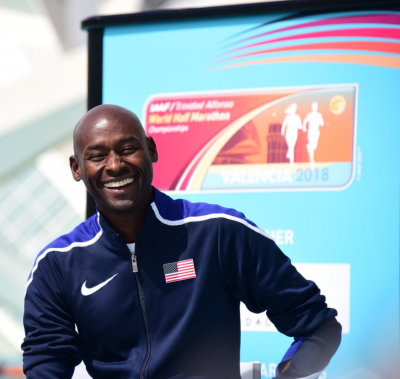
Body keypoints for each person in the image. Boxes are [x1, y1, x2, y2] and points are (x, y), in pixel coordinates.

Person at [22, 105, 341, 379]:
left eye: (128, 149)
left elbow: (319, 328)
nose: (115, 165)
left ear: (152, 150)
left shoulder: (218, 233)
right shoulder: (56, 265)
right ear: (77, 169)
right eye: (97, 156)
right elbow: (46, 362)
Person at [302, 102, 324, 168]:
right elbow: (305, 121)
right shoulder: (309, 115)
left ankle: (309, 147)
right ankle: (312, 161)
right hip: (310, 132)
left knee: (314, 146)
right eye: (313, 106)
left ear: (317, 107)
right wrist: (304, 127)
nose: (314, 108)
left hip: (316, 132)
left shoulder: (319, 115)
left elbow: (322, 123)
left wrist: (318, 120)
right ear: (312, 107)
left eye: (315, 106)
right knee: (311, 147)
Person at [281, 103, 303, 168]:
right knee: (291, 147)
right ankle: (291, 162)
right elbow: (284, 124)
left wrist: (297, 126)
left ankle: (291, 162)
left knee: (291, 147)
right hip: (288, 133)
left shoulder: (297, 117)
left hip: (294, 133)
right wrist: (282, 130)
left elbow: (300, 126)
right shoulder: (287, 117)